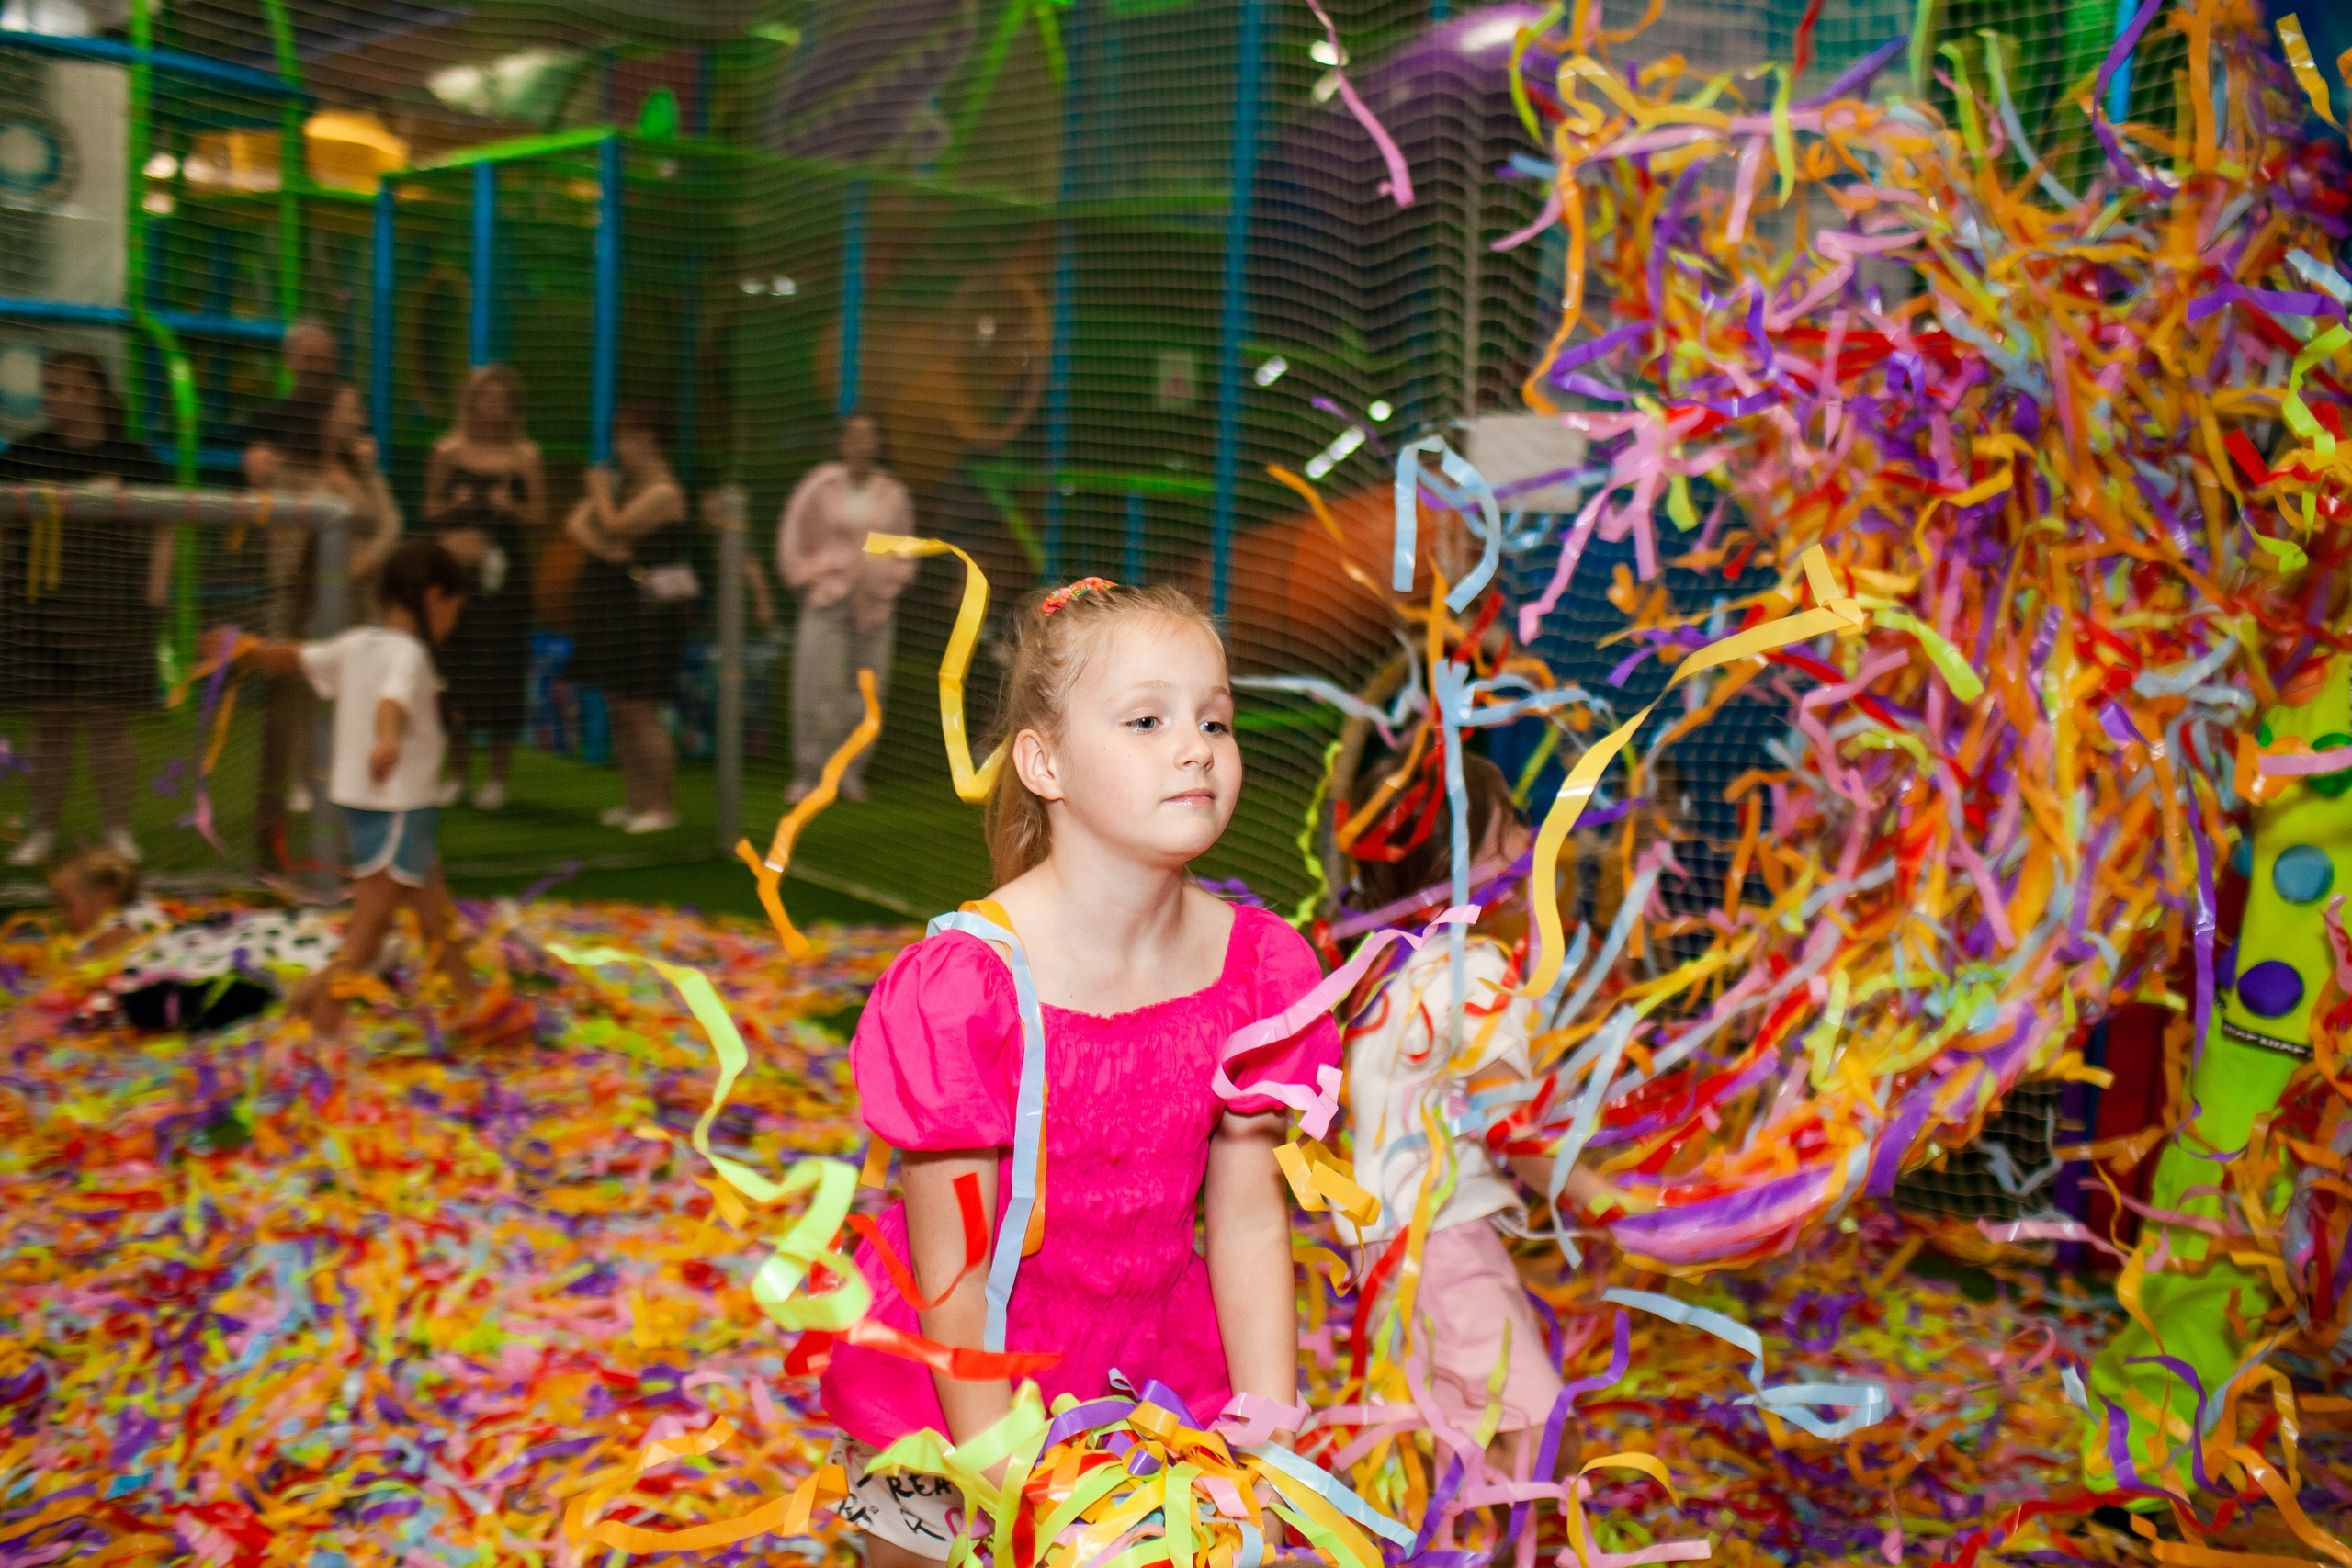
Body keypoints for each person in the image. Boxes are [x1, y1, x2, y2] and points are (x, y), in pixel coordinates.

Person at [820, 577, 1334, 1567]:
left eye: (1215, 721)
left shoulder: (1260, 968)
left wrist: (1271, 1424)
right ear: (1044, 761)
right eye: (1146, 720)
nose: (1195, 747)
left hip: (1155, 1368)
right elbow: (954, 1268)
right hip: (960, 1373)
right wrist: (1000, 1466)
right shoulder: (966, 985)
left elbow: (1245, 1214)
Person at [1335, 752, 1642, 1491]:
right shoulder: (1477, 968)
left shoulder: (1388, 966)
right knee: (1535, 1437)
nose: (1532, 839)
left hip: (1382, 1244)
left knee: (1454, 1441)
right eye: (1510, 828)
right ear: (1462, 861)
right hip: (1437, 1244)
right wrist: (1611, 1200)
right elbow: (1514, 1128)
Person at [236, 538, 478, 1035]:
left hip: (373, 806)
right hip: (398, 806)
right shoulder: (408, 654)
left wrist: (247, 650)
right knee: (369, 929)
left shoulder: (356, 644)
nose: (452, 622)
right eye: (454, 609)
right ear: (434, 598)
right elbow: (391, 704)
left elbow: (297, 657)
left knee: (434, 910)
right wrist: (387, 740)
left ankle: (473, 1000)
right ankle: (323, 1026)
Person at [0, 351, 171, 866]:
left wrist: (155, 590)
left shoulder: (132, 456)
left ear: (97, 393)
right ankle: (43, 831)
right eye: (51, 388)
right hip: (44, 607)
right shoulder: (27, 454)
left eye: (71, 388)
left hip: (110, 606)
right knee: (49, 720)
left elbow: (166, 523)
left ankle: (117, 830)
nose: (59, 399)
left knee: (107, 720)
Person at [254, 381, 403, 865]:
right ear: (321, 417)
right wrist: (330, 564)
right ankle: (274, 841)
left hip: (360, 611)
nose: (357, 417)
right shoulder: (291, 472)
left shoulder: (362, 469)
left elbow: (391, 526)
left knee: (355, 721)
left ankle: (351, 843)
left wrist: (363, 563)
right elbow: (284, 545)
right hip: (303, 610)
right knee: (290, 718)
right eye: (348, 408)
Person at [777, 411, 915, 803]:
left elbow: (906, 545)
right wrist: (807, 576)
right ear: (842, 442)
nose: (861, 444)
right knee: (816, 686)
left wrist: (891, 582)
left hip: (874, 606)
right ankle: (810, 774)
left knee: (868, 691)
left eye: (869, 436)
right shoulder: (819, 485)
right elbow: (793, 533)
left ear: (878, 443)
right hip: (826, 601)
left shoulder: (894, 493)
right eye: (853, 436)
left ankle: (850, 773)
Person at [566, 404, 691, 833]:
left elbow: (614, 524)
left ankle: (662, 805)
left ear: (649, 438)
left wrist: (599, 491)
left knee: (642, 708)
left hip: (651, 614)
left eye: (627, 437)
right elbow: (577, 523)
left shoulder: (664, 492)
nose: (619, 448)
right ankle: (637, 801)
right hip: (616, 607)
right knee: (619, 705)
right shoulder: (624, 484)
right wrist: (601, 546)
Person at [426, 365, 543, 811]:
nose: (493, 407)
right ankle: (455, 774)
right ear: (471, 401)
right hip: (457, 575)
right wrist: (451, 506)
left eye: (502, 399)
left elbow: (538, 517)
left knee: (501, 672)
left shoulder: (526, 455)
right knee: (453, 670)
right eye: (485, 397)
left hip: (507, 580)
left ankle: (497, 778)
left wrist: (510, 507)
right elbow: (429, 509)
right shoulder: (448, 451)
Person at [241, 318, 341, 491]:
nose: (319, 367)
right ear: (289, 360)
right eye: (310, 359)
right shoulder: (268, 419)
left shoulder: (344, 419)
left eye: (325, 359)